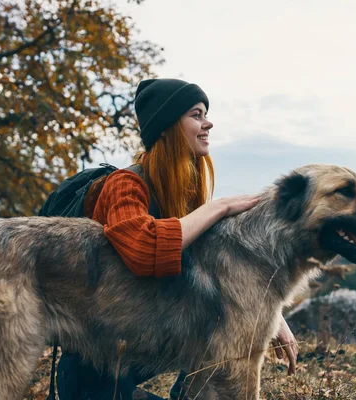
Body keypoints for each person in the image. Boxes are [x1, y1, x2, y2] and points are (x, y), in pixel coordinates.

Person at [57, 78, 298, 400]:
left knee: (209, 319)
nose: (208, 123)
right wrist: (219, 206)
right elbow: (146, 250)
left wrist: (272, 316)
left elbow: (216, 270)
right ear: (168, 125)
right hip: (98, 367)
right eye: (196, 114)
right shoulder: (123, 186)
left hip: (145, 347)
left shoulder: (183, 193)